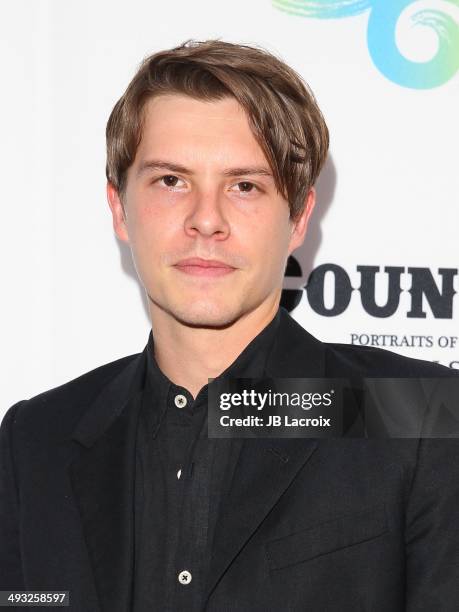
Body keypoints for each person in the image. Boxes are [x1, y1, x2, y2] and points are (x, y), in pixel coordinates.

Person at [1, 39, 458, 612]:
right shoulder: (35, 439)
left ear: (298, 219)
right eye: (171, 180)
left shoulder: (417, 414)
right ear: (119, 208)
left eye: (245, 185)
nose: (206, 220)